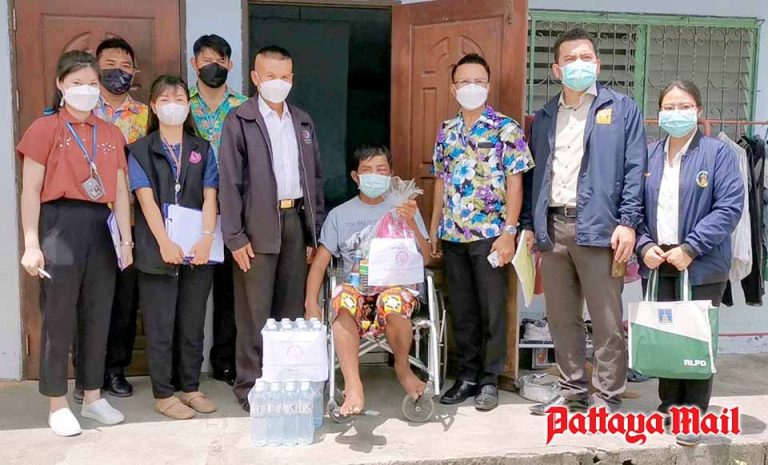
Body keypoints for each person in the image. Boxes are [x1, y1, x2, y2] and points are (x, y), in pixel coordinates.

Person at [522, 28, 647, 415]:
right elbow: (534, 175)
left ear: (598, 64)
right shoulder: (545, 117)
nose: (579, 64)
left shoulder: (622, 109)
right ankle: (572, 390)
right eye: (570, 59)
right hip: (553, 228)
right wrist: (530, 224)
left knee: (606, 319)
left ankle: (606, 396)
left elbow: (635, 168)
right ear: (557, 70)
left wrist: (628, 222)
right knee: (562, 319)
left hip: (601, 229)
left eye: (585, 58)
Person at [17, 50, 133, 436]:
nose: (86, 90)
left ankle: (93, 395)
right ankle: (57, 401)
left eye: (91, 83)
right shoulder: (44, 129)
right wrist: (31, 242)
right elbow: (30, 190)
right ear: (61, 85)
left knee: (98, 313)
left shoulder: (110, 133)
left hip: (101, 226)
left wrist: (126, 240)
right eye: (77, 83)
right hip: (59, 224)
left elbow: (120, 189)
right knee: (59, 316)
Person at [636, 80, 743, 447]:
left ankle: (693, 413)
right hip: (659, 260)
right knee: (667, 336)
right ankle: (668, 406)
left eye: (684, 106)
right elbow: (632, 206)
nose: (676, 113)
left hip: (700, 263)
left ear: (698, 111)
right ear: (659, 113)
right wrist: (643, 245)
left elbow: (729, 207)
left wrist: (692, 247)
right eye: (669, 107)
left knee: (695, 339)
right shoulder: (649, 154)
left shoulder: (717, 154)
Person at [219, 45, 325, 411]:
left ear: (292, 79)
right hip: (256, 227)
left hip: (295, 221)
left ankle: (284, 382)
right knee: (254, 313)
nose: (277, 82)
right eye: (269, 76)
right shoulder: (240, 120)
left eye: (283, 76)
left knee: (289, 311)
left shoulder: (303, 122)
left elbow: (314, 180)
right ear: (255, 78)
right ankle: (250, 386)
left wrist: (313, 232)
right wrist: (234, 237)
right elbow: (229, 182)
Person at [429, 53, 533, 411]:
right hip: (453, 235)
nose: (471, 87)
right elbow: (440, 181)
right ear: (453, 87)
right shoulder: (447, 130)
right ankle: (467, 376)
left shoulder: (506, 129)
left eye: (478, 81)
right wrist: (434, 226)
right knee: (463, 309)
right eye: (464, 82)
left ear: (487, 86)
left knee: (492, 309)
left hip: (491, 235)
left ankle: (490, 379)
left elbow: (515, 183)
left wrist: (509, 231)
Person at [304, 144, 430, 415]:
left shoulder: (404, 208)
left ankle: (403, 368)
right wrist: (310, 303)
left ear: (391, 173)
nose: (374, 175)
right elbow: (320, 263)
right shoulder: (340, 215)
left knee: (392, 300)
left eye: (381, 170)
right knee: (343, 298)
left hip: (397, 288)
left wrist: (410, 223)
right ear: (355, 176)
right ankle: (353, 386)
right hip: (358, 289)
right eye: (367, 170)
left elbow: (427, 257)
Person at [128, 75, 220, 420]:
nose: (173, 106)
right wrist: (164, 242)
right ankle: (164, 393)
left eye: (179, 99)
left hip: (198, 250)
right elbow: (145, 200)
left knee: (192, 323)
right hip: (157, 250)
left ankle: (191, 388)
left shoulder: (202, 148)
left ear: (188, 105)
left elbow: (211, 196)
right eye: (165, 100)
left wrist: (207, 237)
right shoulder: (140, 150)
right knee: (161, 324)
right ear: (153, 107)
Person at [89, 37, 149, 401]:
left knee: (125, 299)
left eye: (125, 66)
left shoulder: (144, 115)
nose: (118, 72)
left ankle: (115, 369)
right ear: (95, 68)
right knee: (90, 297)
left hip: (130, 218)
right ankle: (88, 373)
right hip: (88, 215)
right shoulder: (80, 110)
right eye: (110, 64)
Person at [189, 34, 247, 387]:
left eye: (221, 60)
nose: (215, 66)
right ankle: (184, 366)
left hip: (232, 210)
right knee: (189, 292)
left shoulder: (244, 107)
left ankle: (225, 360)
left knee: (229, 291)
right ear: (194, 63)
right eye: (208, 59)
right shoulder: (181, 104)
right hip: (188, 210)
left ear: (230, 65)